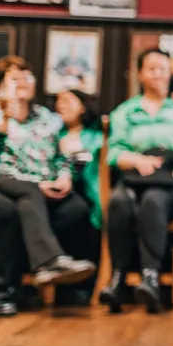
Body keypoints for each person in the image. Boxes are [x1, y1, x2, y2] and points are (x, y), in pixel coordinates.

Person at [0, 57, 96, 316]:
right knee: (24, 199)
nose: (22, 83)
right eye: (14, 78)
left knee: (76, 207)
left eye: (27, 77)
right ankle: (47, 263)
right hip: (0, 183)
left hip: (40, 190)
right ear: (1, 86)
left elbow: (60, 157)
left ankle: (58, 283)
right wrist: (5, 123)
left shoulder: (47, 118)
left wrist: (64, 177)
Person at [99, 49, 173, 313]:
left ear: (171, 72)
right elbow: (114, 153)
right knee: (118, 201)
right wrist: (137, 161)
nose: (157, 73)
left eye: (162, 68)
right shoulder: (126, 110)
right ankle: (117, 279)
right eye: (151, 68)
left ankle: (151, 278)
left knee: (154, 200)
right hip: (137, 177)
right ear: (140, 74)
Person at [54, 89, 104, 263]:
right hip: (57, 195)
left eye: (67, 100)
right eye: (59, 101)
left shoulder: (97, 138)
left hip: (89, 195)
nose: (61, 105)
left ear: (82, 107)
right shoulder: (52, 136)